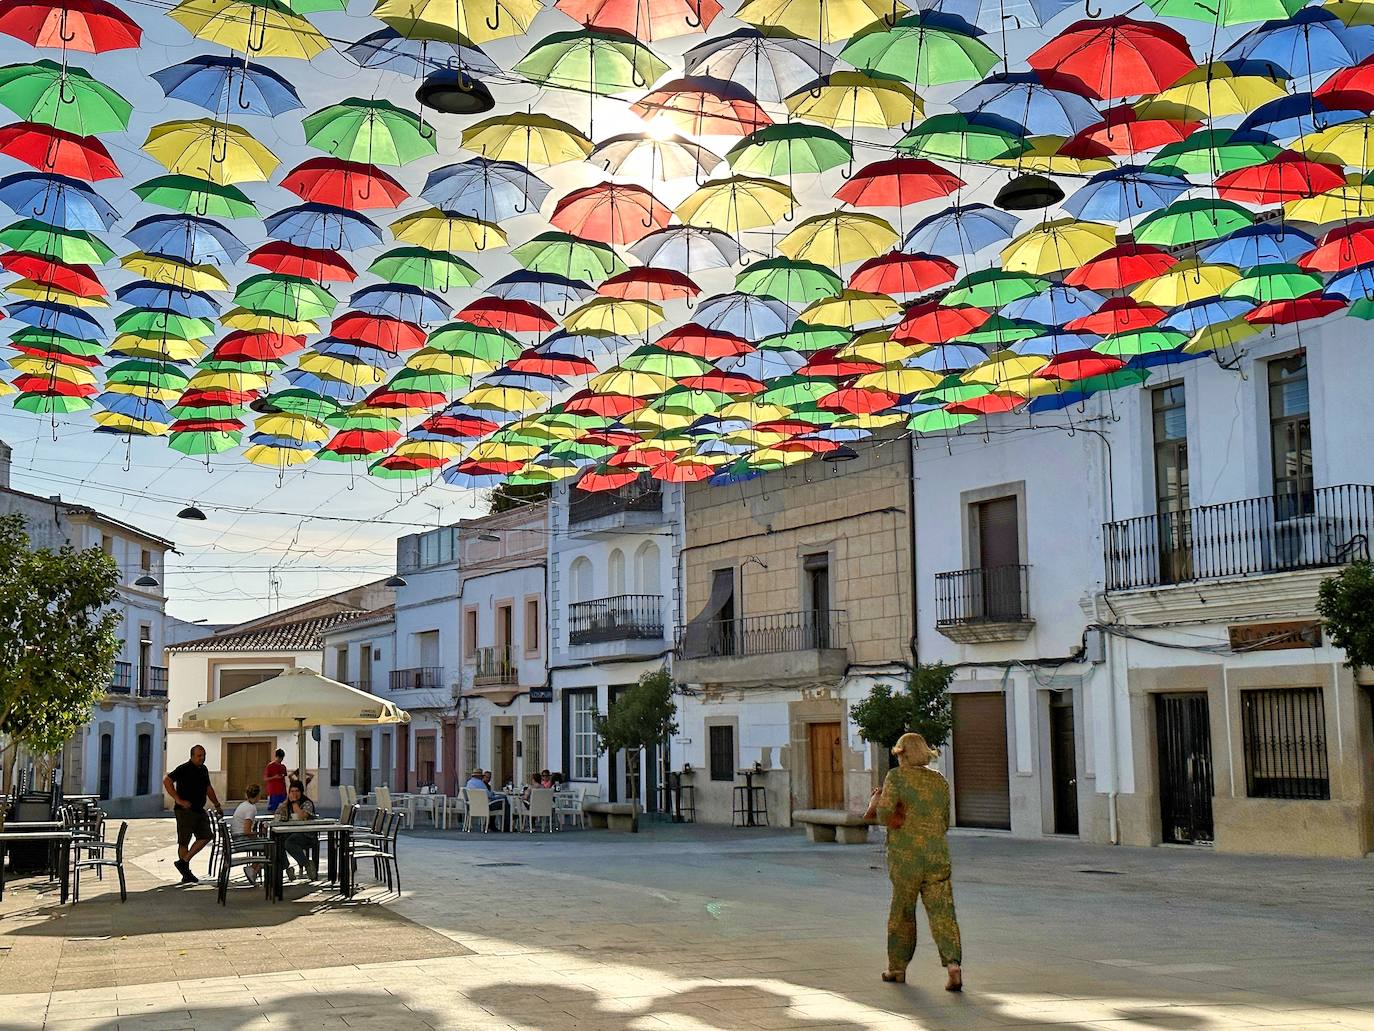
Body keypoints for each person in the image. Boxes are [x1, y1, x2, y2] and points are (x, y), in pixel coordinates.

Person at [870, 732, 963, 992]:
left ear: (902, 754)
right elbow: (944, 821)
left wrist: (877, 804)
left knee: (903, 911)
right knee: (943, 912)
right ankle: (953, 965)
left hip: (906, 857)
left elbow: (886, 814)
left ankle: (897, 968)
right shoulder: (939, 781)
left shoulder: (896, 777)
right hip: (937, 856)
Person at [163, 744, 222, 884]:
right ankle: (186, 873)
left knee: (207, 835)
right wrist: (178, 800)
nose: (202, 758)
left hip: (198, 809)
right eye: (199, 756)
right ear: (192, 756)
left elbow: (208, 788)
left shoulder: (203, 769)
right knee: (184, 841)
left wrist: (217, 804)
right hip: (184, 811)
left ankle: (184, 862)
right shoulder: (184, 768)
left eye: (203, 755)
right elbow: (167, 780)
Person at [273, 780, 318, 880]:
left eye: (297, 791)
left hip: (307, 835)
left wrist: (294, 803)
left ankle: (307, 865)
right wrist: (284, 804)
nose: (294, 794)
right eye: (292, 791)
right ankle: (287, 867)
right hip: (291, 832)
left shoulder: (307, 803)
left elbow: (301, 816)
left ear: (301, 792)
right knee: (278, 841)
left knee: (289, 843)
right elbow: (277, 815)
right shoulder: (287, 804)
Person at [232, 784, 263, 885]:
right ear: (258, 795)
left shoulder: (243, 805)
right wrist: (260, 833)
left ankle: (254, 869)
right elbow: (247, 831)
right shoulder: (251, 809)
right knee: (271, 847)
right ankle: (253, 869)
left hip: (236, 838)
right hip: (241, 840)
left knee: (267, 845)